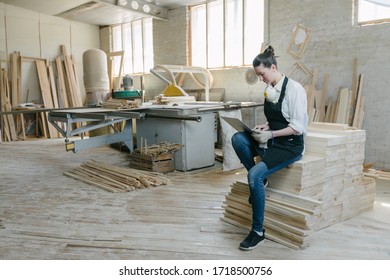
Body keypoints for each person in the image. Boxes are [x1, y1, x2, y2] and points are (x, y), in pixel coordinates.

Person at [231, 45, 308, 250]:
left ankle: (258, 231)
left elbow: (298, 127)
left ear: (273, 67)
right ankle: (262, 181)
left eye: (262, 74)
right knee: (238, 138)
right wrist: (265, 126)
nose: (261, 79)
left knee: (253, 175)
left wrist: (270, 133)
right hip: (272, 138)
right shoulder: (270, 89)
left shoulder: (295, 89)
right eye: (258, 76)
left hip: (289, 146)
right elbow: (277, 118)